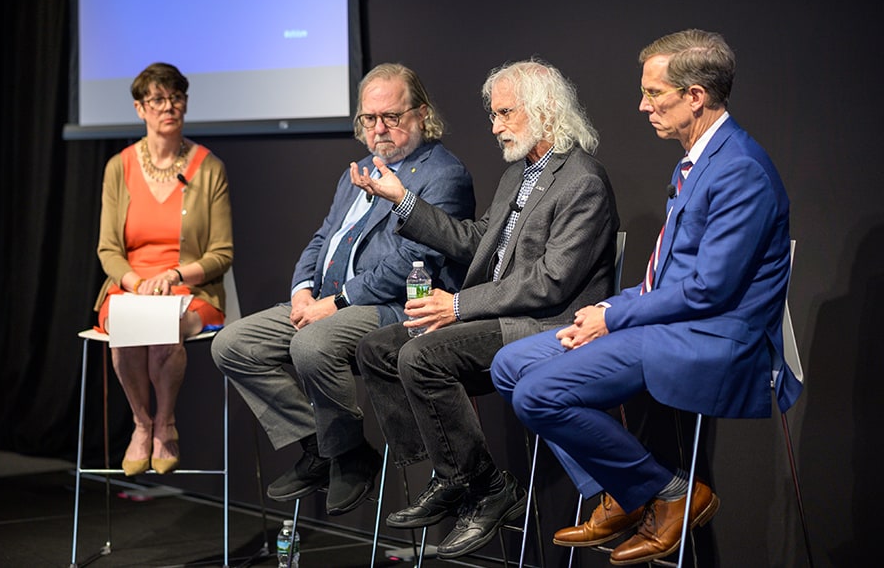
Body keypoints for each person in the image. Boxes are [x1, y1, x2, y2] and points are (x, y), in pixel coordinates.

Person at [491, 29, 803, 565]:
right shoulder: (697, 161)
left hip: (712, 336)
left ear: (695, 96)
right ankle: (625, 491)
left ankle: (671, 492)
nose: (642, 105)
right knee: (509, 365)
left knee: (537, 394)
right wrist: (609, 307)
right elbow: (669, 277)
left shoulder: (739, 169)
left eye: (654, 93)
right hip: (671, 322)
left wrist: (615, 317)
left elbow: (710, 289)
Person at [350, 59, 619, 559]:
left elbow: (550, 282)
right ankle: (455, 475)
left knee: (421, 357)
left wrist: (457, 304)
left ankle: (484, 486)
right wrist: (403, 200)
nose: (494, 126)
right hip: (496, 314)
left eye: (504, 113)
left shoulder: (582, 180)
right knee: (377, 349)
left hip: (545, 324)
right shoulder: (520, 173)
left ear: (544, 109)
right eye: (494, 114)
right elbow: (477, 241)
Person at [210, 63, 475, 516]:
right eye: (369, 119)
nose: (379, 129)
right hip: (328, 300)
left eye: (391, 117)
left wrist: (336, 302)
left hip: (396, 307)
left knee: (311, 344)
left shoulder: (443, 174)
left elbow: (413, 264)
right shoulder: (359, 170)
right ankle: (322, 445)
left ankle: (348, 454)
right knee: (233, 345)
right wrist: (302, 290)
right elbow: (323, 237)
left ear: (422, 114)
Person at [94, 62, 234, 477]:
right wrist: (136, 282)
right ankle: (142, 423)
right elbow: (108, 250)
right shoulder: (119, 167)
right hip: (130, 286)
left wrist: (174, 276)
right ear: (140, 108)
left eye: (176, 97)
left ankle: (166, 422)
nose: (169, 106)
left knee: (162, 329)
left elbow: (222, 253)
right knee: (126, 330)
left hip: (191, 290)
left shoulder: (209, 168)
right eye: (158, 99)